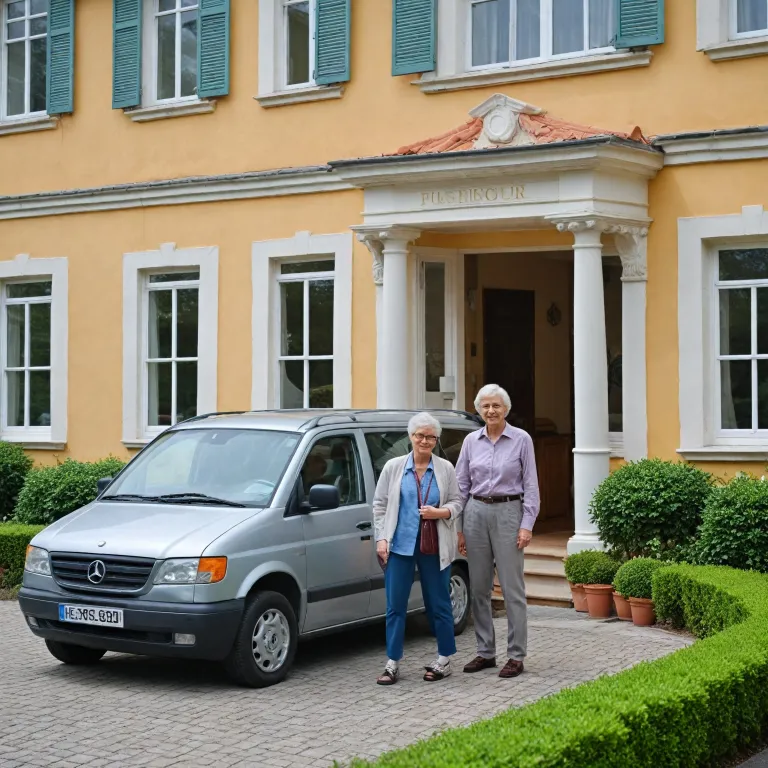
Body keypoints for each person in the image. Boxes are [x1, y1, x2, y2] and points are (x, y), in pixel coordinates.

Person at [456, 384, 540, 679]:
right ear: (479, 410)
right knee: (479, 588)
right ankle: (485, 652)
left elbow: (531, 485)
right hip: (475, 513)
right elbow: (461, 485)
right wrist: (459, 528)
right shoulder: (470, 441)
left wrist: (526, 525)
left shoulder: (521, 439)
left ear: (506, 409)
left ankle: (516, 655)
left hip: (508, 512)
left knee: (512, 588)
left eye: (496, 406)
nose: (491, 411)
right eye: (486, 406)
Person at [373, 412, 463, 685]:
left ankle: (444, 660)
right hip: (399, 545)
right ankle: (392, 663)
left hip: (434, 546)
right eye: (420, 435)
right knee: (395, 606)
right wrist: (381, 538)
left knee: (439, 604)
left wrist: (440, 512)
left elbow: (457, 502)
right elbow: (380, 505)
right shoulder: (394, 467)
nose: (425, 441)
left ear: (436, 440)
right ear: (411, 437)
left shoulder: (445, 468)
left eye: (430, 437)